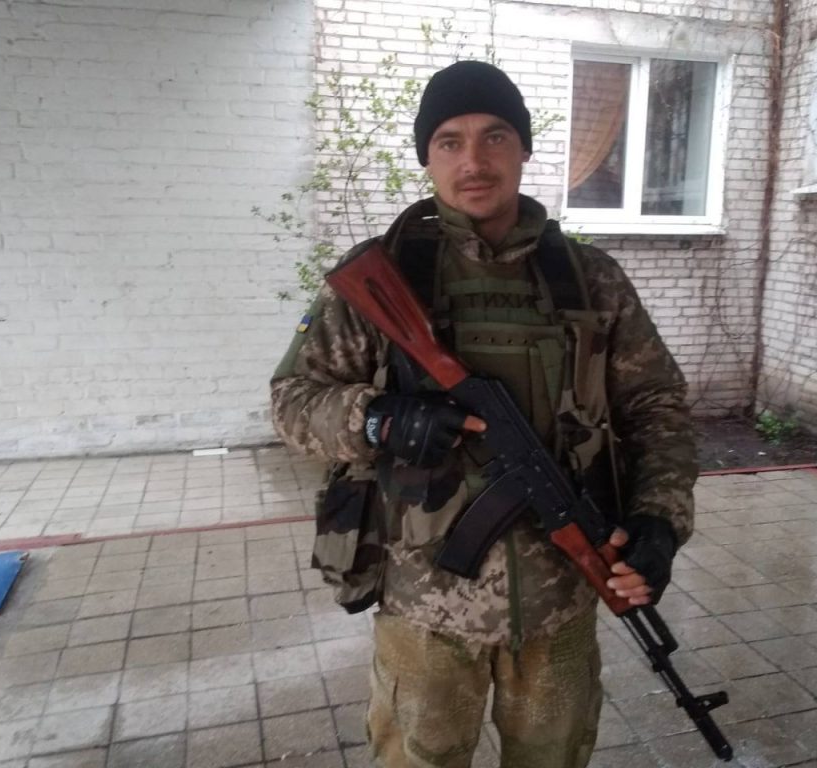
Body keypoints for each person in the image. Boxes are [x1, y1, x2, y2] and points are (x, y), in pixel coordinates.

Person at [271, 60, 697, 768]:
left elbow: (658, 407)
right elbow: (293, 401)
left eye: (495, 136)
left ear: (523, 147)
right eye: (450, 140)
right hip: (425, 607)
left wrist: (659, 521)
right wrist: (381, 419)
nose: (473, 161)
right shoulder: (382, 278)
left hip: (560, 602)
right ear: (428, 157)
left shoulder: (591, 280)